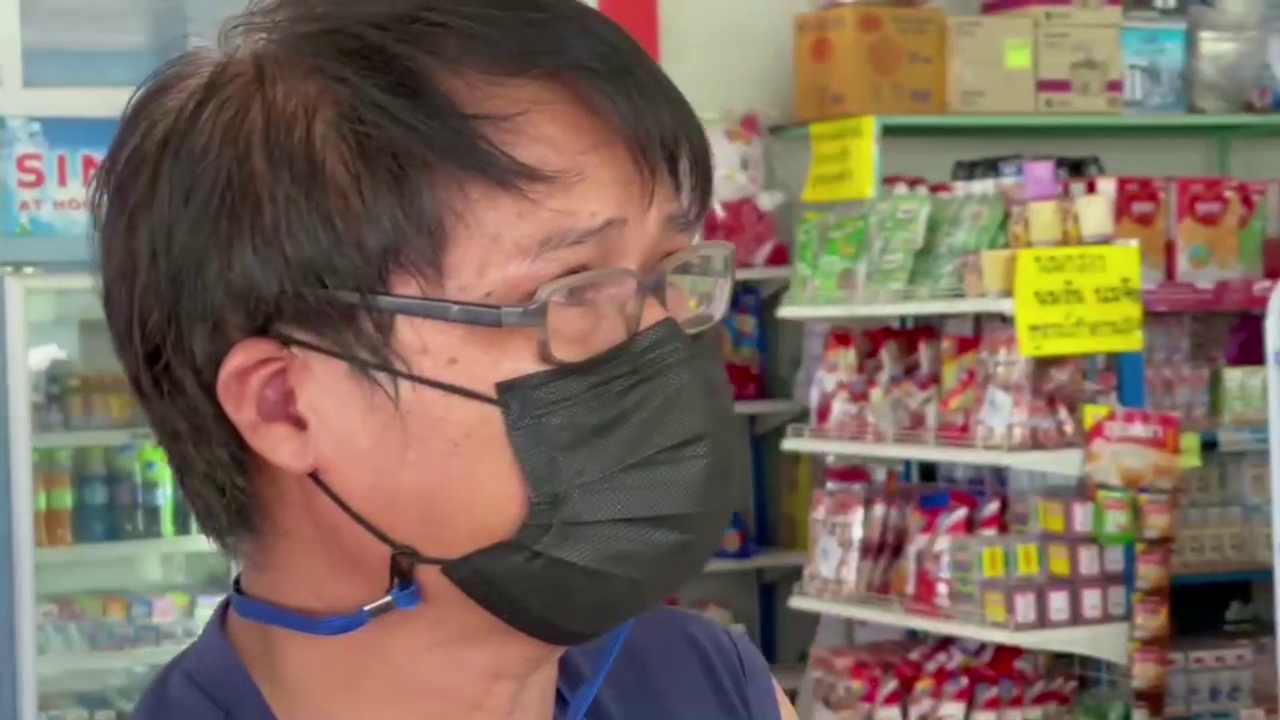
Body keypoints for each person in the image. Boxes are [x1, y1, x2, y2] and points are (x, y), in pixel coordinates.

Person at [90, 1, 801, 719]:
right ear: (288, 407)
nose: (662, 335)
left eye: (672, 268)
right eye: (573, 290)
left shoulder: (713, 685)